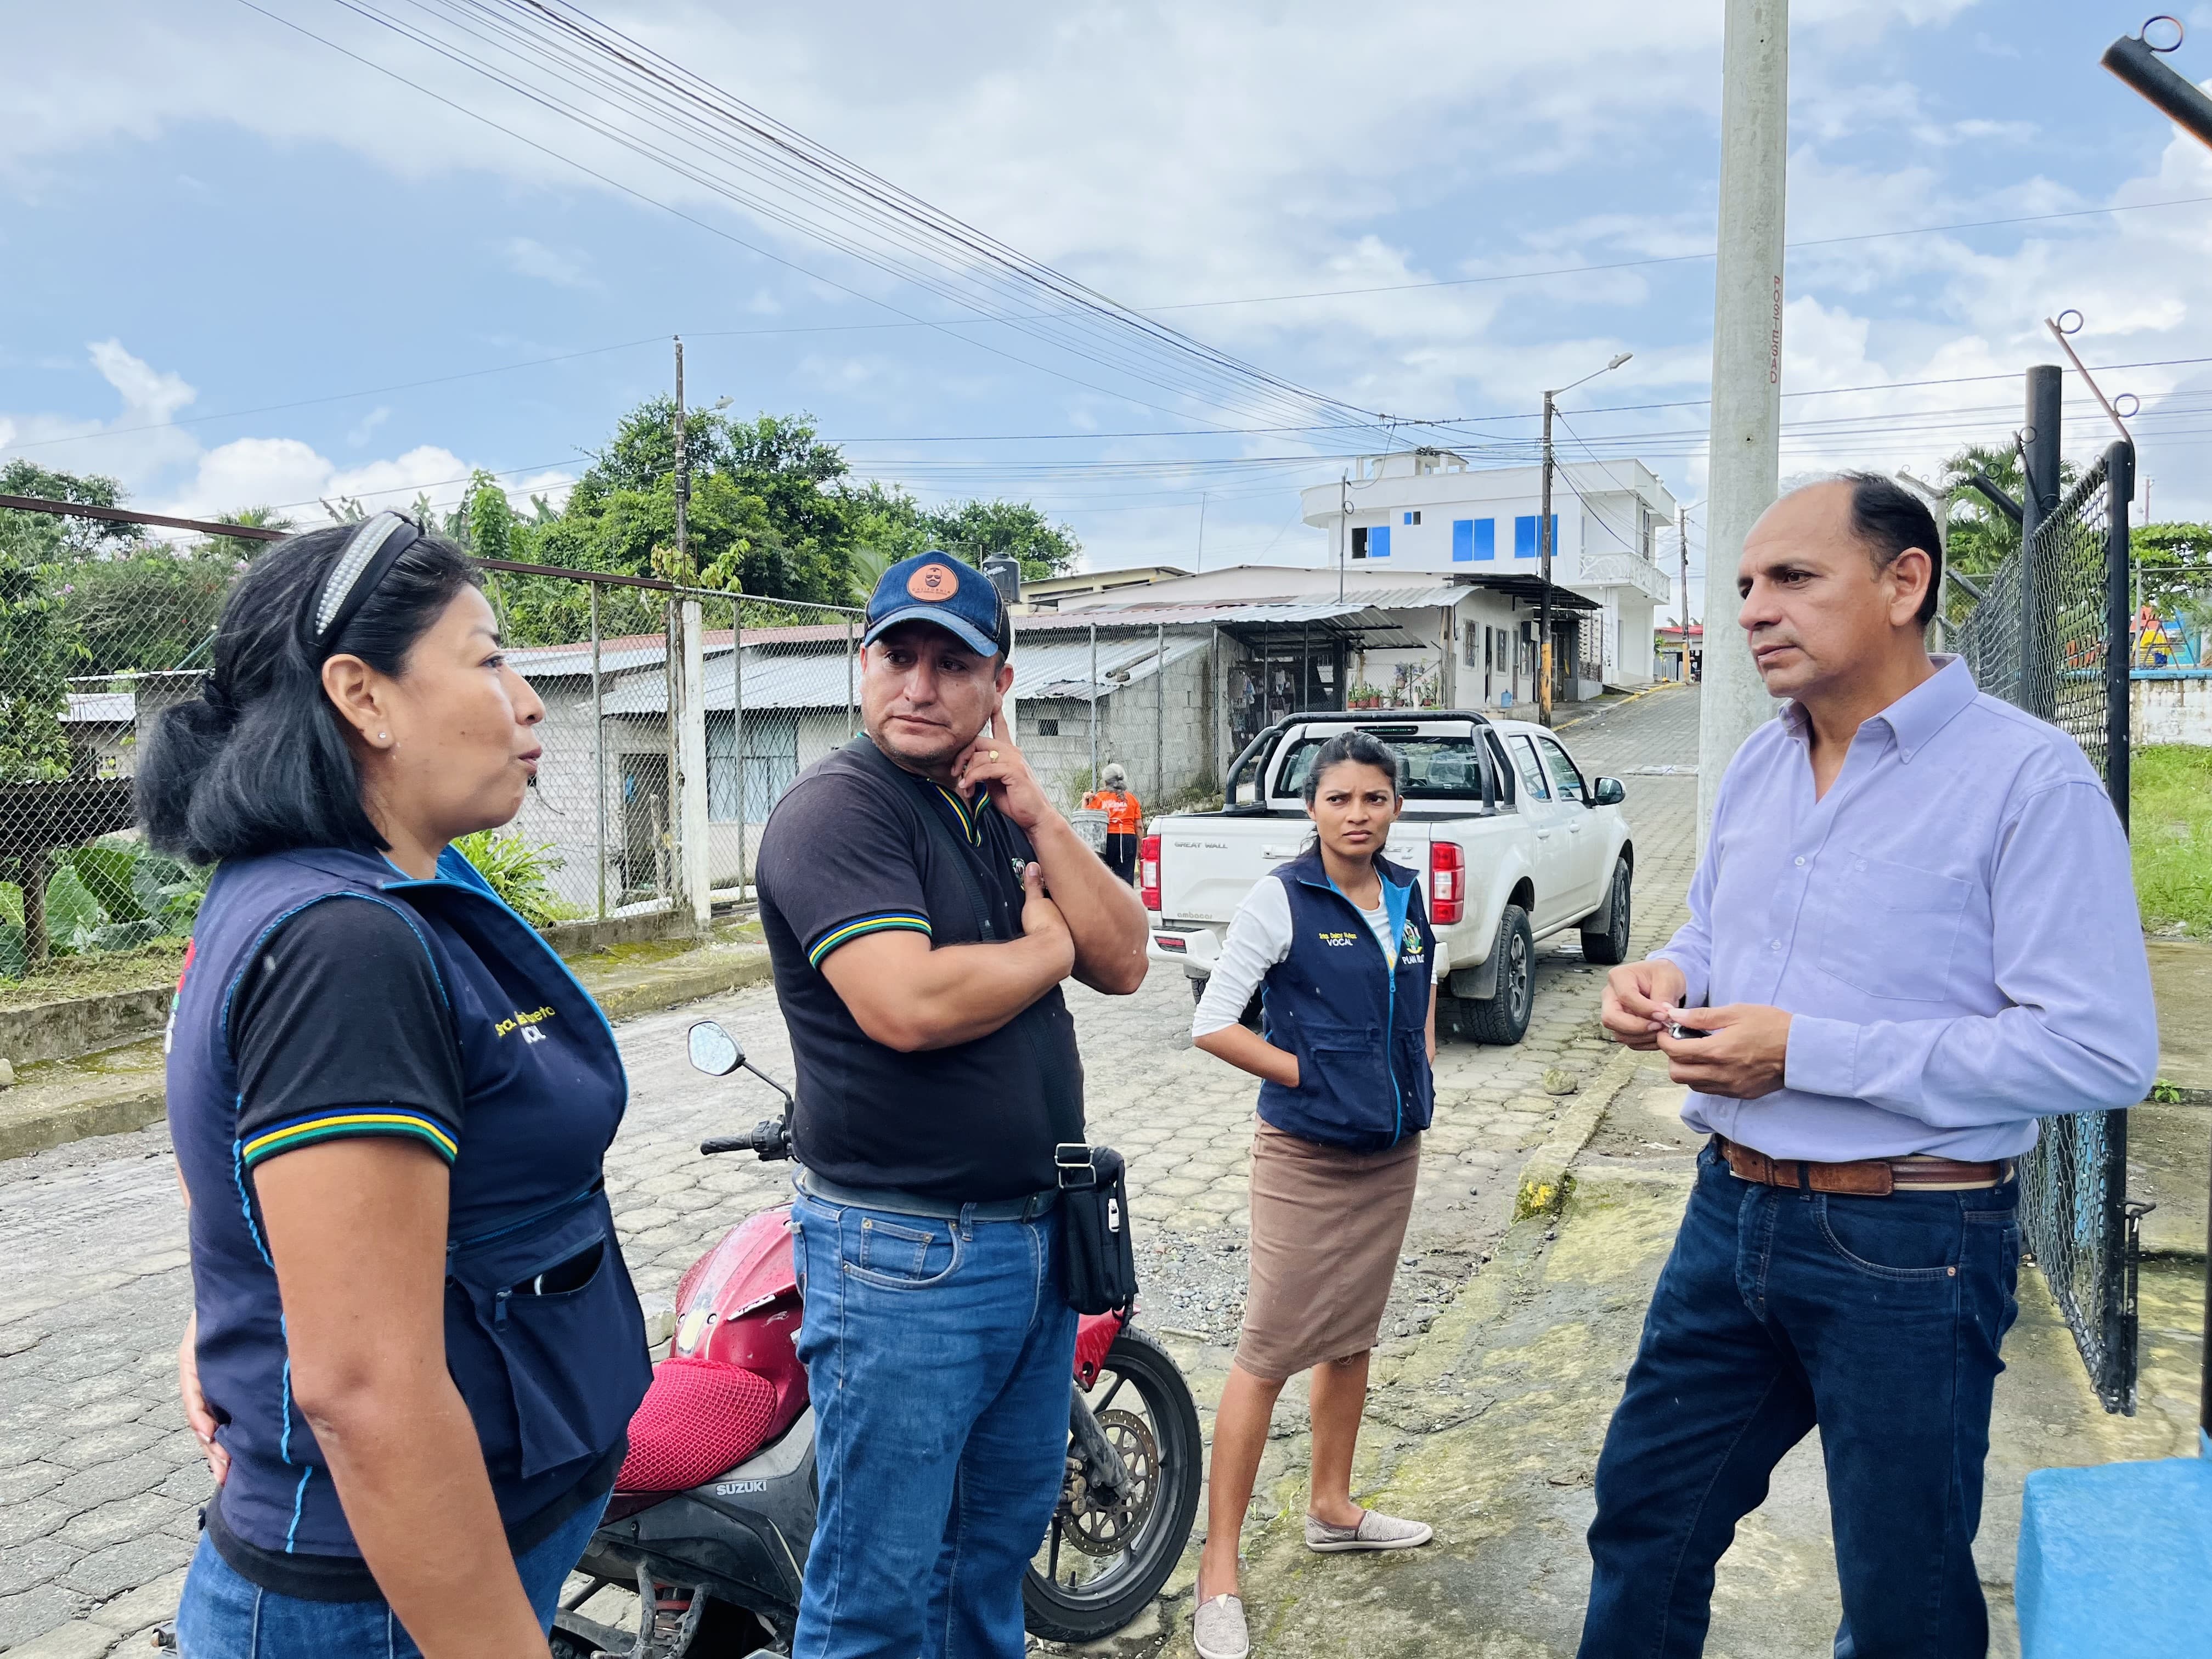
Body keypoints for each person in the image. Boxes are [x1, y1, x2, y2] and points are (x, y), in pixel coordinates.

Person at [1579, 475, 2159, 1658]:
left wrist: (1805, 1050)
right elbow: (1713, 929)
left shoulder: (2028, 779)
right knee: (1644, 1522)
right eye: (1745, 584)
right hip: (1728, 1211)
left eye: (1792, 577)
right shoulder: (1759, 763)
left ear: (1905, 583)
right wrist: (1668, 974)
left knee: (1903, 1596)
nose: (1753, 608)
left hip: (1912, 1239)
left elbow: (2098, 1046)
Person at [150, 515, 652, 1658]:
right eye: (489, 659)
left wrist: (245, 1302)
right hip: (381, 1602)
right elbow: (368, 1390)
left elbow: (230, 1153)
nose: (528, 703)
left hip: (468, 1538)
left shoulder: (353, 885)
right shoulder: (343, 944)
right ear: (362, 695)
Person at [752, 551, 1149, 1659]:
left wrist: (1044, 817)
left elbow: (1125, 960)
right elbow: (908, 1002)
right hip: (902, 1258)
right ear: (863, 664)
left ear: (998, 685)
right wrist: (1045, 950)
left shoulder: (993, 806)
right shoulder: (836, 811)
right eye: (898, 656)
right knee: (878, 1593)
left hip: (1032, 1246)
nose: (919, 686)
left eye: (952, 664)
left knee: (989, 1561)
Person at [1185, 730, 1441, 1659]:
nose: (1357, 814)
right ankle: (1218, 1570)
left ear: (1395, 805)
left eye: (1374, 797)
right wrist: (1313, 1075)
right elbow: (1213, 1022)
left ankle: (1331, 1506)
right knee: (1268, 1348)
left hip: (1390, 1154)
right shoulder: (1282, 897)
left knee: (1352, 1334)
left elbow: (1420, 994)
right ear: (1312, 807)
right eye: (1339, 798)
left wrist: (1416, 1074)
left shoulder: (1406, 893)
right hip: (1304, 1156)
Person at [1082, 761, 1144, 884]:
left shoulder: (1098, 798)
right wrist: (1140, 848)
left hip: (1104, 841)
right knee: (1125, 880)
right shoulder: (1131, 799)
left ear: (1105, 782)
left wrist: (1085, 800)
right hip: (1127, 841)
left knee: (1104, 878)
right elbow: (1139, 826)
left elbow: (1086, 819)